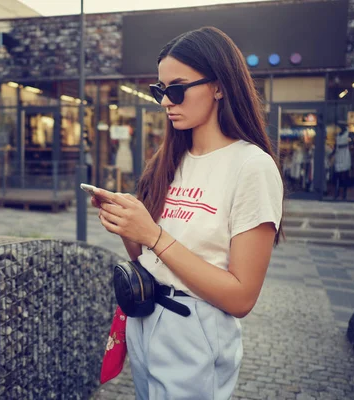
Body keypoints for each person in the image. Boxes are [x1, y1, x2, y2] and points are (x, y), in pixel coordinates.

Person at [91, 27, 284, 399]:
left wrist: (154, 236)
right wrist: (128, 228)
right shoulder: (168, 160)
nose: (166, 101)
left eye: (176, 89)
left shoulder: (251, 166)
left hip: (194, 326)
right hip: (145, 317)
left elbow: (242, 297)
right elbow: (150, 259)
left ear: (219, 85)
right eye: (160, 91)